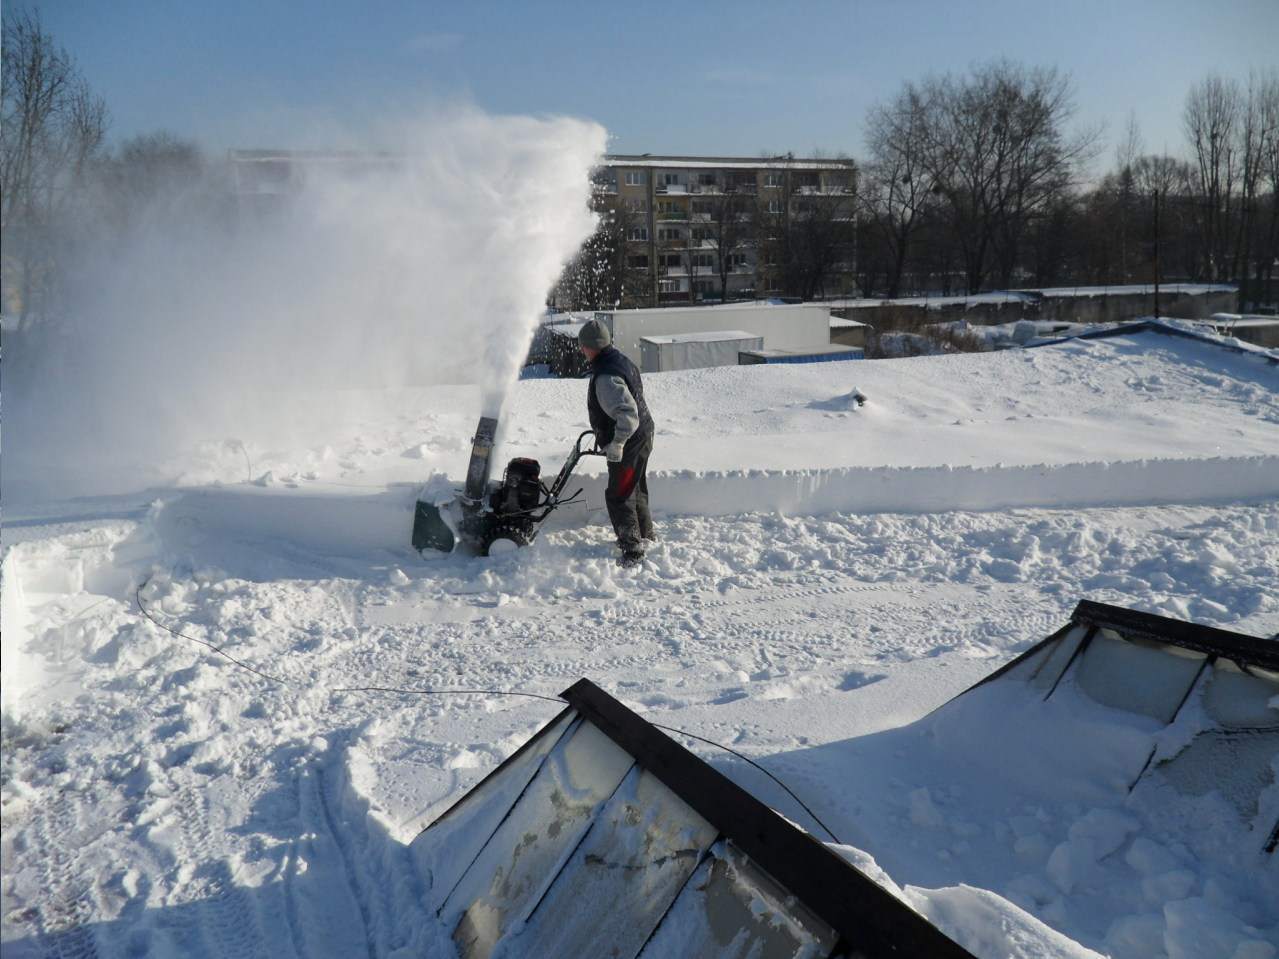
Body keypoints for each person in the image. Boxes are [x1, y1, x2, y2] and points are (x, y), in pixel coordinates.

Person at [578, 318, 654, 567]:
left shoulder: (606, 377)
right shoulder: (619, 359)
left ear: (593, 346)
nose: (581, 350)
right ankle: (645, 536)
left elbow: (627, 414)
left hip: (630, 440)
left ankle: (632, 551)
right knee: (635, 487)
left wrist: (617, 443)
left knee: (619, 494)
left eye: (583, 346)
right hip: (643, 434)